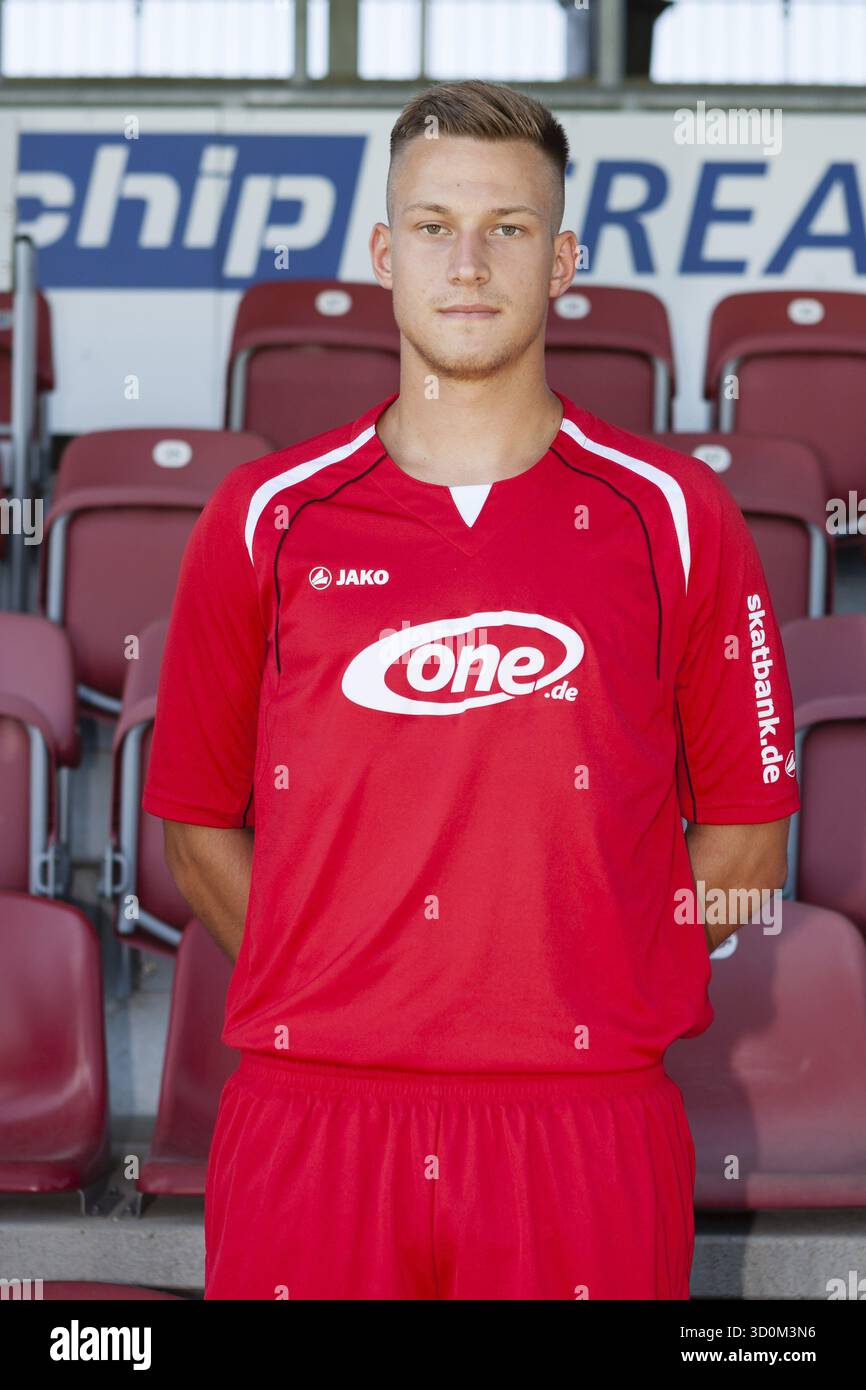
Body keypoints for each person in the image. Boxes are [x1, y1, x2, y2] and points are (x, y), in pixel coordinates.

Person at [142, 79, 800, 1301]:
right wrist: (350, 993)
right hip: (313, 1118)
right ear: (385, 255)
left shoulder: (676, 517)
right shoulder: (261, 517)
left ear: (562, 262)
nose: (468, 261)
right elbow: (192, 828)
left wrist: (574, 980)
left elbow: (749, 841)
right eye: (434, 225)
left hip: (584, 1125)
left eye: (507, 229)